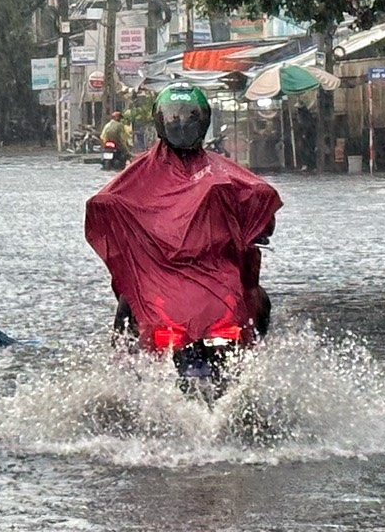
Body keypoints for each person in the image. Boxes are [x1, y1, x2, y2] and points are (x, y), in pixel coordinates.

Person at [84, 85, 280, 359]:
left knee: (128, 307)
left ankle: (124, 370)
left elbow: (105, 204)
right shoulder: (222, 175)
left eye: (187, 117)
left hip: (165, 288)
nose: (182, 124)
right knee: (260, 304)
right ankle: (256, 363)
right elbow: (260, 198)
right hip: (216, 289)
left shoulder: (150, 173)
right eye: (176, 118)